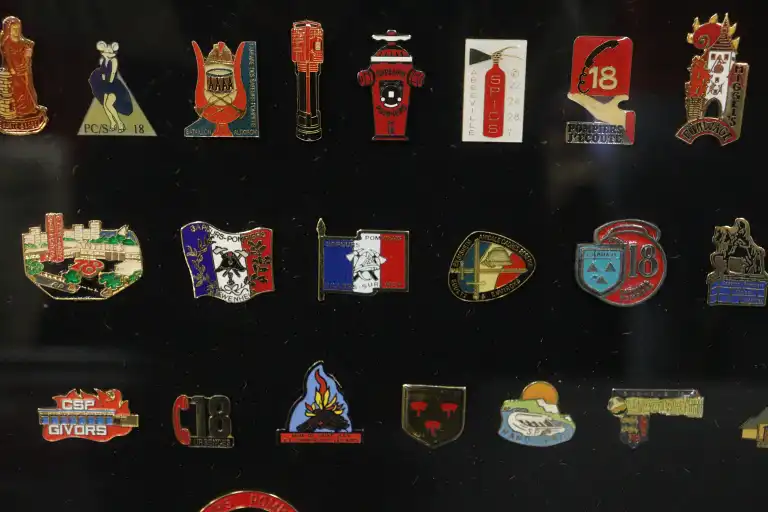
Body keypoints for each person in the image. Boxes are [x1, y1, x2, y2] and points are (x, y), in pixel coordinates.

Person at [0, 16, 41, 117]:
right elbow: (8, 58)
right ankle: (20, 110)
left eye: (18, 29)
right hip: (14, 70)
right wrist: (12, 69)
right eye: (13, 29)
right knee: (18, 89)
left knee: (26, 88)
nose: (16, 31)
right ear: (8, 30)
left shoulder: (21, 41)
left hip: (22, 68)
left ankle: (29, 108)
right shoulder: (7, 43)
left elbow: (28, 46)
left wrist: (28, 51)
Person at [88, 41, 133, 132]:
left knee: (109, 105)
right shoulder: (104, 60)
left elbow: (113, 73)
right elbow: (102, 71)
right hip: (105, 85)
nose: (107, 52)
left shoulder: (114, 60)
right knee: (105, 106)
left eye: (109, 51)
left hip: (113, 85)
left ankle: (120, 124)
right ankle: (113, 123)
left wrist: (109, 83)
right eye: (106, 51)